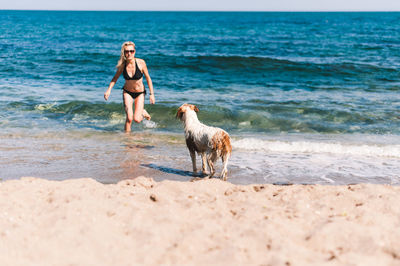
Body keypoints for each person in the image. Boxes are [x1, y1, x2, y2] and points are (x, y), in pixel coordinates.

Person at [104, 41, 155, 132]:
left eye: (131, 51)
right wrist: (108, 90)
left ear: (134, 51)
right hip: (127, 92)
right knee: (129, 118)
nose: (129, 53)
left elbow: (148, 78)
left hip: (140, 93)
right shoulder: (122, 66)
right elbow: (115, 78)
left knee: (137, 119)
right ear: (124, 53)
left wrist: (152, 94)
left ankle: (142, 111)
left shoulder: (141, 63)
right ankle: (127, 139)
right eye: (127, 51)